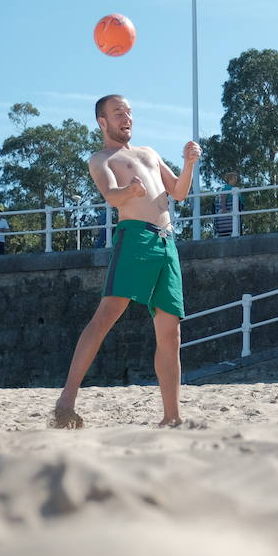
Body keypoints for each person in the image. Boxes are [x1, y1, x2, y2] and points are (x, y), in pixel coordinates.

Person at [53, 94, 201, 429]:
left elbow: (177, 192)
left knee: (171, 332)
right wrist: (129, 193)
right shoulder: (100, 158)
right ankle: (66, 401)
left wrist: (188, 163)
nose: (127, 118)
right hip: (134, 236)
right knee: (105, 316)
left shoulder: (149, 153)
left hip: (167, 242)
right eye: (118, 113)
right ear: (102, 122)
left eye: (130, 112)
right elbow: (111, 195)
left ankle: (171, 417)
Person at [213, 171, 241, 238]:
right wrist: (224, 208)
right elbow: (223, 197)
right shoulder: (227, 188)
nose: (236, 180)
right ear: (230, 179)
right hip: (229, 210)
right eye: (235, 178)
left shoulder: (234, 188)